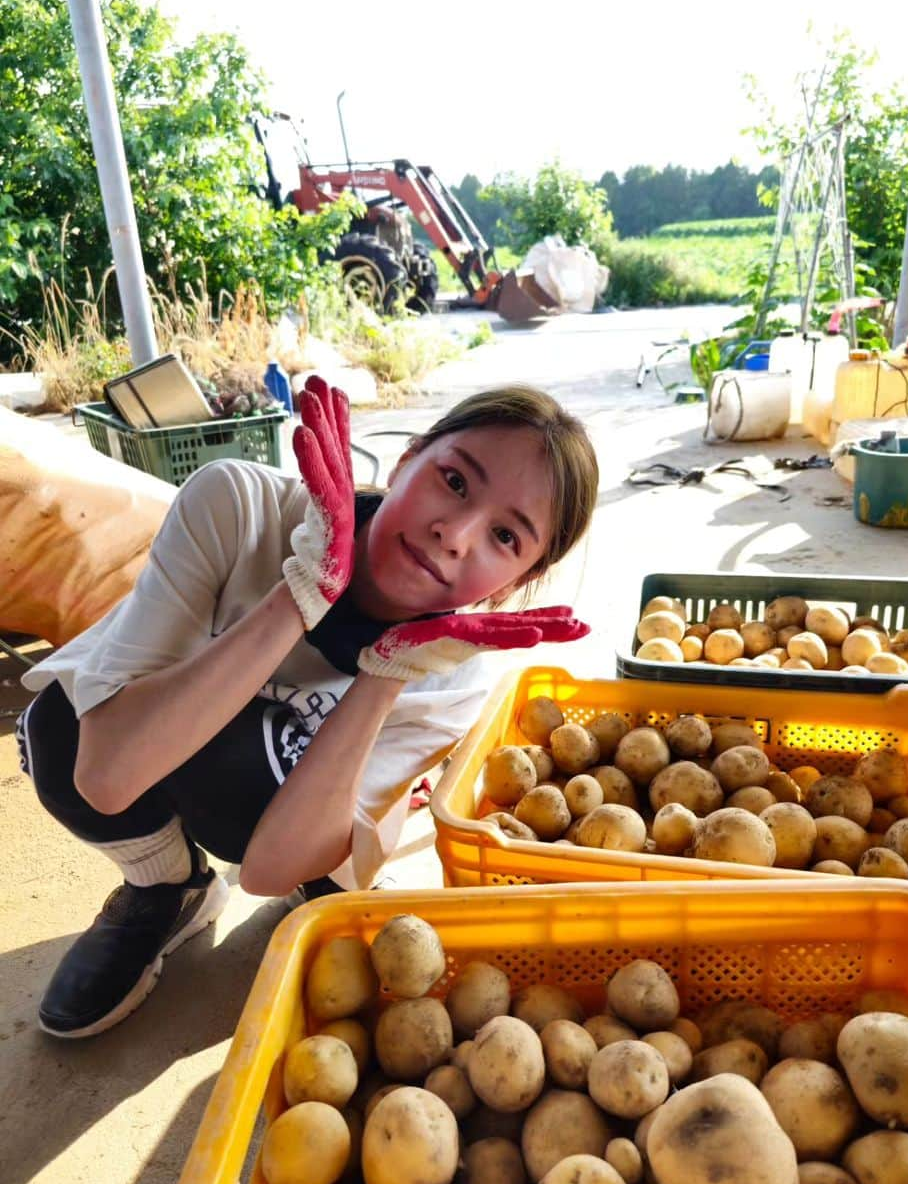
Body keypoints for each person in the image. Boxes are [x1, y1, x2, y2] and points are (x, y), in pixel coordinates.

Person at [17, 378, 597, 1037]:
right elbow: (107, 774)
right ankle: (165, 888)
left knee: (267, 779)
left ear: (516, 582)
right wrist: (301, 593)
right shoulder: (241, 507)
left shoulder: (453, 672)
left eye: (504, 537)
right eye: (455, 482)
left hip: (283, 818)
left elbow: (267, 874)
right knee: (58, 728)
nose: (454, 534)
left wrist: (387, 674)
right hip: (143, 740)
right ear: (408, 459)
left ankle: (333, 885)